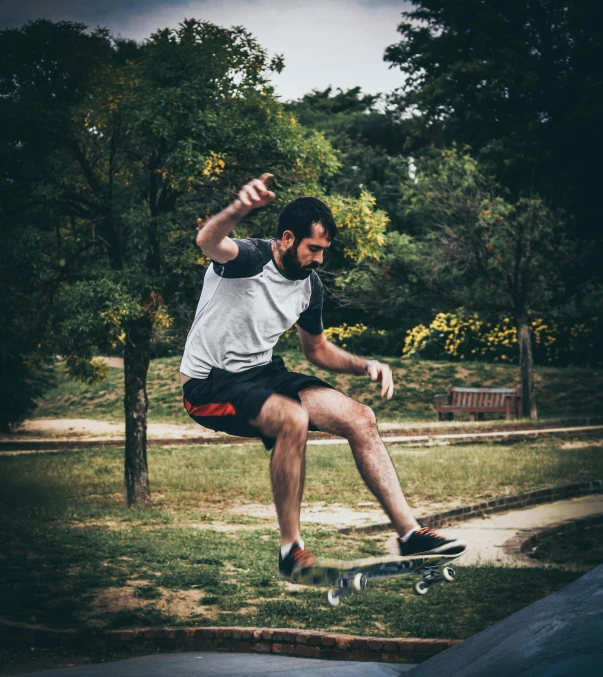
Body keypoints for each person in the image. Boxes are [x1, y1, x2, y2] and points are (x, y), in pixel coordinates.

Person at [180, 173, 466, 580]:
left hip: (263, 374)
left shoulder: (309, 287)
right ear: (287, 238)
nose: (318, 259)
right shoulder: (247, 259)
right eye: (313, 249)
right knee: (292, 419)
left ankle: (410, 534)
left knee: (360, 418)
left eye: (323, 251)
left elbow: (317, 350)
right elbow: (207, 242)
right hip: (210, 385)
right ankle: (291, 551)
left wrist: (365, 364)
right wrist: (239, 207)